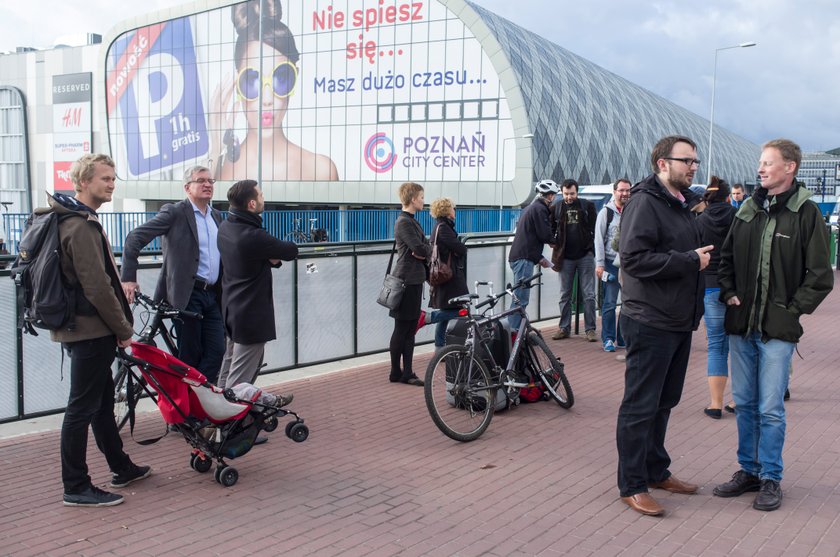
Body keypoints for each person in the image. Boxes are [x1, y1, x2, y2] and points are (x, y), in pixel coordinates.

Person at [714, 139, 833, 512]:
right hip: (741, 326)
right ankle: (748, 470)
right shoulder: (748, 209)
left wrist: (792, 310)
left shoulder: (806, 213)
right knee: (746, 404)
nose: (761, 169)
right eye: (760, 163)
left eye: (768, 163)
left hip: (778, 331)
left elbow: (820, 276)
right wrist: (729, 291)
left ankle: (770, 477)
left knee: (770, 408)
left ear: (790, 167)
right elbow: (726, 258)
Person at [615, 135, 713, 517]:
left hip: (677, 321)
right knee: (640, 405)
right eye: (686, 160)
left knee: (664, 402)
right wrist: (690, 260)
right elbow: (634, 260)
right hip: (649, 320)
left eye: (695, 161)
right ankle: (632, 484)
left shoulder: (681, 205)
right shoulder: (644, 202)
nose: (693, 166)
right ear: (662, 163)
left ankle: (656, 470)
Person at [54, 154, 151, 507]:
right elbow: (98, 287)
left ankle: (121, 466)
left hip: (84, 328)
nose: (111, 184)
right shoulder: (80, 226)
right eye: (105, 178)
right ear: (83, 182)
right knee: (82, 407)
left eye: (113, 178)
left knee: (99, 403)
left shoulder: (79, 220)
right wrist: (124, 329)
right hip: (90, 331)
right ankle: (76, 486)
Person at [210, 0, 338, 181]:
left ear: (296, 77)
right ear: (237, 83)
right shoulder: (221, 169)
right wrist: (215, 147)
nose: (267, 99)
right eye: (252, 80)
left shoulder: (321, 169)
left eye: (282, 77)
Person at [120, 165, 225, 384]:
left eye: (211, 181)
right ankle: (183, 413)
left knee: (216, 352)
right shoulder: (175, 212)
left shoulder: (216, 216)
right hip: (187, 295)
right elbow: (134, 238)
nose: (207, 185)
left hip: (212, 295)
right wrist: (129, 277)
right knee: (189, 357)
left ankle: (198, 400)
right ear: (187, 187)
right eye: (201, 180)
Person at [216, 180, 296, 412]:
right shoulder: (252, 236)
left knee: (228, 367)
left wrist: (267, 256)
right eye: (261, 195)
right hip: (250, 314)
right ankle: (231, 430)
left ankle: (214, 416)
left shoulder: (226, 228)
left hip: (232, 309)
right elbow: (290, 250)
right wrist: (269, 255)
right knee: (239, 380)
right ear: (252, 203)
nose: (263, 198)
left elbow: (262, 257)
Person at [696, 177, 737, 419]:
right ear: (728, 196)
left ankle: (715, 404)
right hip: (735, 290)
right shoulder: (738, 217)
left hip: (710, 287)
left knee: (716, 346)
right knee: (740, 346)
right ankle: (738, 399)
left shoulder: (700, 221)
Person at [388, 182, 432, 386]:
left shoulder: (411, 221)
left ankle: (406, 372)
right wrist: (425, 247)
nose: (424, 200)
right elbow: (420, 249)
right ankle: (398, 372)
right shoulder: (404, 222)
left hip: (412, 280)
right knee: (403, 327)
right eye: (421, 197)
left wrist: (424, 248)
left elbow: (423, 248)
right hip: (407, 281)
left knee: (408, 327)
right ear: (413, 198)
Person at [417, 197, 468, 348]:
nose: (455, 211)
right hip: (449, 277)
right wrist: (461, 247)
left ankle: (440, 348)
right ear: (447, 211)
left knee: (447, 311)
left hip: (445, 276)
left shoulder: (440, 226)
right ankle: (428, 317)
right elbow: (460, 249)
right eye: (453, 208)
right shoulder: (444, 228)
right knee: (461, 310)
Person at [550, 179, 598, 342]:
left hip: (585, 255)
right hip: (565, 257)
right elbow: (549, 229)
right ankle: (564, 328)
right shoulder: (556, 207)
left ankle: (590, 329)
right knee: (565, 294)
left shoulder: (586, 206)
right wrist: (553, 243)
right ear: (562, 193)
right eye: (566, 194)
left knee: (589, 294)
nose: (569, 197)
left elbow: (595, 228)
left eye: (572, 193)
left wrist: (591, 249)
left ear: (577, 192)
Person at [508, 180, 557, 331]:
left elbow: (530, 237)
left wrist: (539, 258)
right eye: (553, 195)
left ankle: (520, 330)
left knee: (520, 297)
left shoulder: (531, 208)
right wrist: (556, 240)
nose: (554, 198)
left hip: (521, 256)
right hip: (524, 259)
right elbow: (544, 234)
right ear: (549, 196)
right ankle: (513, 333)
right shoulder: (540, 209)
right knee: (520, 299)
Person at [594, 178, 631, 352]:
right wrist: (600, 264)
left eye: (627, 190)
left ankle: (622, 337)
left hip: (628, 264)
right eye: (621, 190)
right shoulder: (606, 213)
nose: (624, 194)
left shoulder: (632, 211)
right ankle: (608, 338)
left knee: (627, 303)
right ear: (614, 191)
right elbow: (599, 240)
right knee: (609, 303)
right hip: (610, 263)